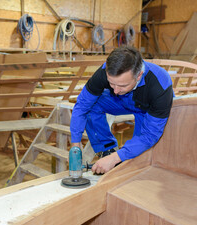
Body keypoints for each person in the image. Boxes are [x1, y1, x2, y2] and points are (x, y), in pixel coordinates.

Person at [70, 46, 174, 174]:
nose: (115, 90)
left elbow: (150, 135)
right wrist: (75, 144)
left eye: (122, 85)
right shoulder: (105, 71)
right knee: (92, 104)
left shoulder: (160, 84)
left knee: (139, 158)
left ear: (139, 75)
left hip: (146, 109)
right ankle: (107, 149)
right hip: (123, 102)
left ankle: (118, 159)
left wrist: (115, 159)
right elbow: (82, 106)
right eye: (111, 84)